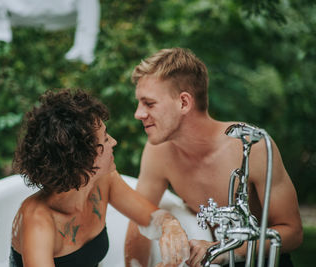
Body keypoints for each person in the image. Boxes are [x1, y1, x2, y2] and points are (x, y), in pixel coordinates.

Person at [124, 48, 303, 267]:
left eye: (149, 103)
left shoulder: (251, 146)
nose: (138, 114)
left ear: (183, 103)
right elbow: (140, 220)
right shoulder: (158, 152)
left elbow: (292, 232)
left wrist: (224, 250)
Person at [9, 89, 190, 267]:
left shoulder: (104, 181)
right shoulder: (38, 221)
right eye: (104, 139)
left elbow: (150, 217)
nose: (113, 142)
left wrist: (170, 225)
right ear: (81, 158)